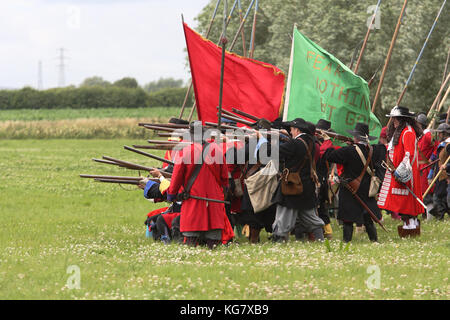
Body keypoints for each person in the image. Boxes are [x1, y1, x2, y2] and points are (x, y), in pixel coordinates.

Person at [167, 121, 232, 249]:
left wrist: (172, 194)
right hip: (214, 200)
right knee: (213, 242)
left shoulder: (184, 151)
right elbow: (225, 177)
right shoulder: (217, 150)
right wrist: (223, 192)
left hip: (193, 199)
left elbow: (176, 177)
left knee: (191, 240)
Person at [323, 122, 384, 242]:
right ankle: (374, 240)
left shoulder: (349, 151)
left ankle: (347, 241)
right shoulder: (374, 150)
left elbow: (329, 155)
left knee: (347, 218)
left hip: (351, 187)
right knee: (368, 217)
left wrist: (327, 141)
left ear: (355, 137)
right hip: (366, 188)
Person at [271, 118, 324, 242]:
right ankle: (320, 239)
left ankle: (279, 241)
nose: (290, 132)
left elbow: (272, 153)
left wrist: (264, 139)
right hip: (307, 186)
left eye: (292, 130)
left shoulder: (295, 143)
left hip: (292, 186)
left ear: (297, 130)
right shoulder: (312, 142)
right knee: (311, 217)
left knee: (283, 217)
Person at [377, 106, 424, 237]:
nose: (393, 122)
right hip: (398, 171)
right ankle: (409, 226)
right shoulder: (402, 131)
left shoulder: (407, 132)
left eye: (396, 119)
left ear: (402, 119)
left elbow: (409, 154)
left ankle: (410, 227)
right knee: (403, 202)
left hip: (405, 173)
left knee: (406, 203)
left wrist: (402, 171)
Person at [427, 123, 450, 220]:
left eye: (440, 133)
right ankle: (441, 216)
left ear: (444, 134)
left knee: (439, 198)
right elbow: (436, 161)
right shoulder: (442, 145)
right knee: (441, 198)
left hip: (445, 175)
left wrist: (447, 169)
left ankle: (440, 217)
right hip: (439, 175)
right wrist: (430, 175)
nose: (439, 135)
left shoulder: (448, 145)